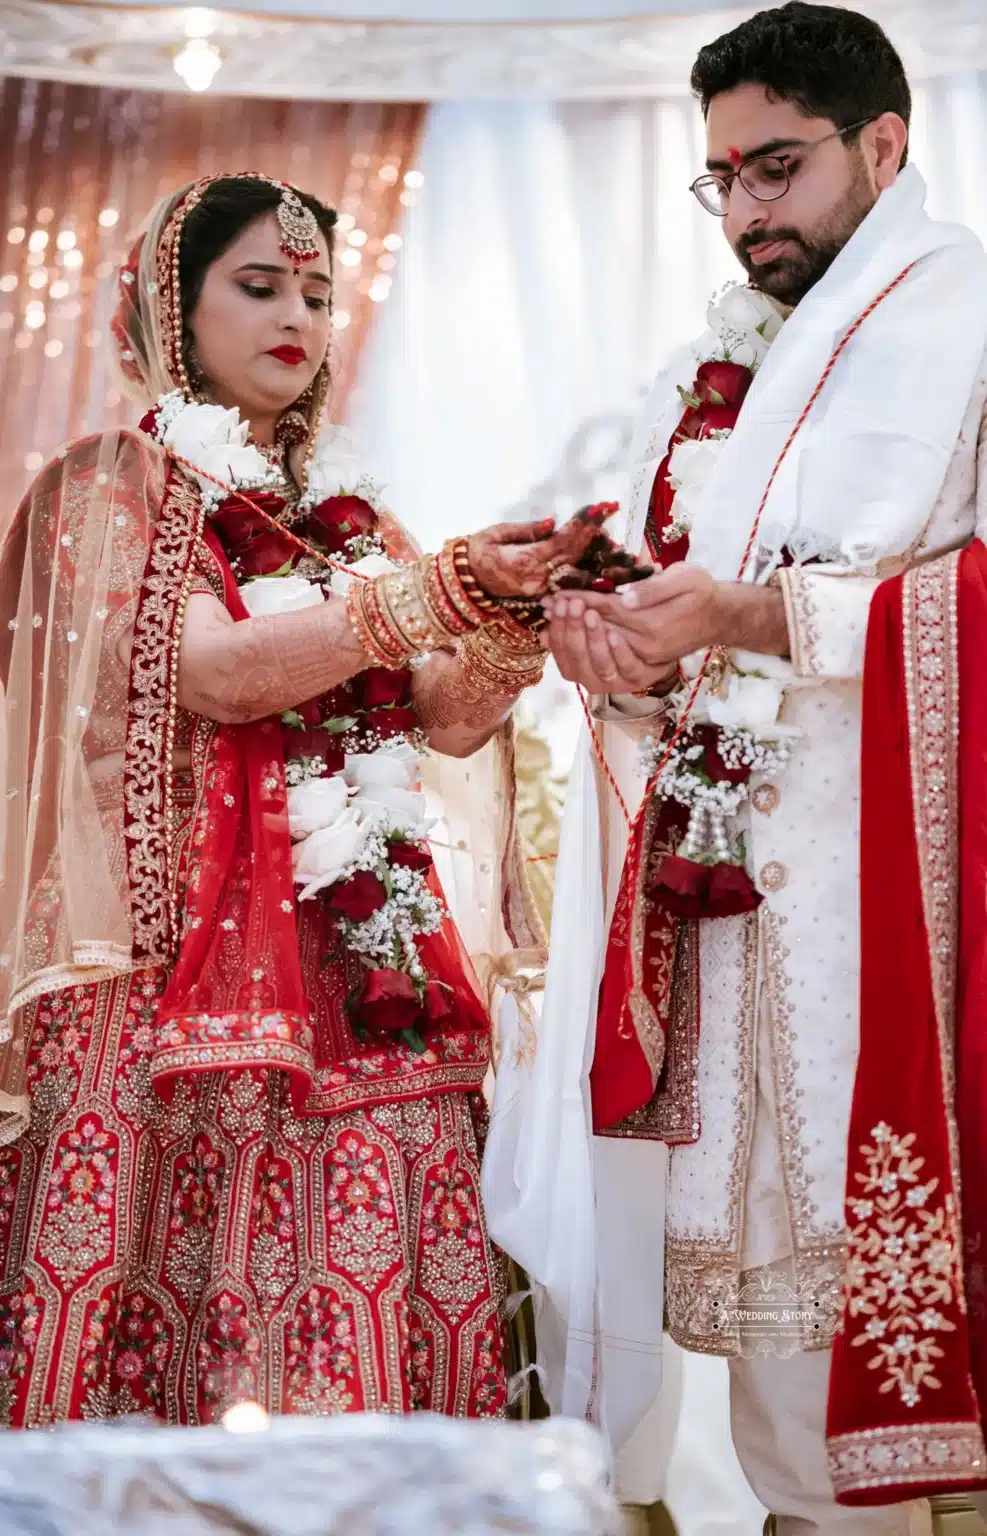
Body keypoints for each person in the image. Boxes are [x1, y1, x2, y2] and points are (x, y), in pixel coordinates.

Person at [0, 171, 613, 1426]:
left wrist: (515, 611)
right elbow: (219, 674)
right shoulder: (112, 484)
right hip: (167, 981)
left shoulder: (352, 521)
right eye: (261, 284)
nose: (300, 316)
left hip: (370, 966)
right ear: (176, 306)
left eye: (321, 295)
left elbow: (439, 716)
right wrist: (436, 592)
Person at [484, 5, 987, 1531]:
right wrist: (614, 638)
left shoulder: (963, 306)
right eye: (718, 180)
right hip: (743, 896)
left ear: (881, 145)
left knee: (879, 1286)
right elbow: (692, 584)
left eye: (772, 167)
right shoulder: (734, 356)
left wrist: (756, 613)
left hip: (910, 894)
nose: (744, 212)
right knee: (778, 1329)